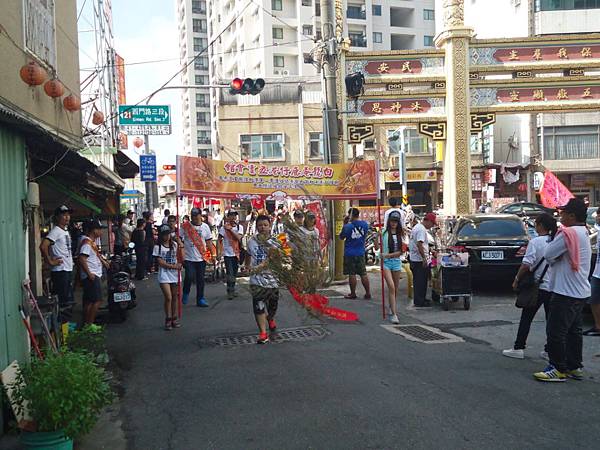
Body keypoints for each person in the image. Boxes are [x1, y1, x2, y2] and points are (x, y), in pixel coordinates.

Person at [534, 198, 591, 382]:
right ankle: (574, 366)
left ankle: (557, 367)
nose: (561, 215)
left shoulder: (568, 234)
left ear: (572, 216)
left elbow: (549, 253)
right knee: (574, 331)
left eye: (564, 212)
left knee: (556, 331)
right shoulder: (584, 231)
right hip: (580, 290)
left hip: (565, 291)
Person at [503, 213, 557, 359]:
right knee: (551, 322)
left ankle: (519, 347)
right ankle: (549, 350)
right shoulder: (556, 241)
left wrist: (516, 279)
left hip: (537, 287)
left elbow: (526, 264)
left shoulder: (536, 242)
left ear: (540, 226)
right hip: (553, 287)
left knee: (526, 318)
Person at [246, 214, 279, 344]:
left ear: (270, 227)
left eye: (265, 225)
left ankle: (270, 318)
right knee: (258, 306)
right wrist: (247, 266)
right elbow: (248, 255)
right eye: (260, 225)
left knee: (272, 306)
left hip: (272, 280)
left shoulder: (275, 242)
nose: (262, 227)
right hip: (256, 281)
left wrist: (260, 266)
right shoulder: (251, 241)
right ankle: (263, 333)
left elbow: (272, 259)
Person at [40, 205, 75, 309]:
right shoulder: (55, 231)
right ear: (57, 217)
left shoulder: (64, 231)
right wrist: (50, 261)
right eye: (64, 215)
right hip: (60, 271)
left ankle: (66, 324)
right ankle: (62, 324)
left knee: (68, 300)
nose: (67, 217)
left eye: (68, 215)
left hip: (67, 269)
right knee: (62, 302)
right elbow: (43, 246)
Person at [179, 208, 215, 307]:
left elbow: (209, 242)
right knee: (189, 276)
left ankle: (200, 298)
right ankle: (186, 292)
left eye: (196, 215)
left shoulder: (205, 227)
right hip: (188, 257)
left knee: (200, 279)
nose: (194, 217)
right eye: (192, 215)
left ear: (200, 216)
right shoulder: (185, 226)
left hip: (201, 257)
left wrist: (213, 255)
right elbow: (179, 239)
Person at [78, 219, 110, 324]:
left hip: (92, 274)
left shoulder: (91, 242)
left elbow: (94, 255)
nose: (101, 232)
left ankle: (87, 323)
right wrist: (89, 274)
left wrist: (103, 261)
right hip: (92, 275)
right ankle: (90, 324)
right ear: (94, 230)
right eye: (99, 229)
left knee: (89, 301)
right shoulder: (87, 243)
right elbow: (82, 258)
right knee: (97, 301)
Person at [153, 225, 183, 330]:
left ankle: (174, 318)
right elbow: (160, 262)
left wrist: (181, 245)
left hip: (175, 275)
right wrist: (173, 266)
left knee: (175, 297)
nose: (167, 236)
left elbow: (182, 257)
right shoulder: (158, 247)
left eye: (168, 234)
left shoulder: (175, 245)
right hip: (164, 275)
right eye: (164, 234)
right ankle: (168, 318)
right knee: (168, 297)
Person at [339, 207, 371, 300]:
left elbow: (341, 237)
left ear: (351, 215)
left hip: (349, 253)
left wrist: (344, 223)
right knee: (363, 273)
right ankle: (368, 293)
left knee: (351, 273)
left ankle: (353, 293)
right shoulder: (365, 224)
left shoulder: (347, 226)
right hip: (360, 252)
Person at [382, 211, 405, 324]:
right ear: (389, 221)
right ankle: (394, 314)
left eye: (395, 221)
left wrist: (388, 255)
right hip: (386, 263)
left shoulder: (401, 234)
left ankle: (391, 307)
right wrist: (377, 238)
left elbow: (400, 252)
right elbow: (377, 247)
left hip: (396, 262)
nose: (393, 223)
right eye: (392, 221)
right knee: (391, 287)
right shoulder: (384, 232)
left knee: (395, 289)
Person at [409, 212, 436, 307]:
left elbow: (422, 244)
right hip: (418, 260)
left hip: (415, 258)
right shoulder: (421, 229)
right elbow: (419, 244)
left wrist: (430, 250)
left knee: (419, 281)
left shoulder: (418, 227)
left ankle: (420, 299)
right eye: (432, 223)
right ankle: (420, 301)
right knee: (420, 281)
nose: (432, 226)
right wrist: (424, 258)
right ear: (427, 221)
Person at [218, 211, 244, 300]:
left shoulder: (239, 227)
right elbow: (219, 240)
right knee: (230, 272)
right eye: (231, 215)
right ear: (228, 217)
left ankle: (232, 288)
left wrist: (230, 230)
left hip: (236, 253)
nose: (233, 217)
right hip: (227, 254)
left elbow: (238, 238)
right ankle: (230, 291)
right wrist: (218, 252)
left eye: (234, 215)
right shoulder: (223, 228)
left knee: (235, 272)